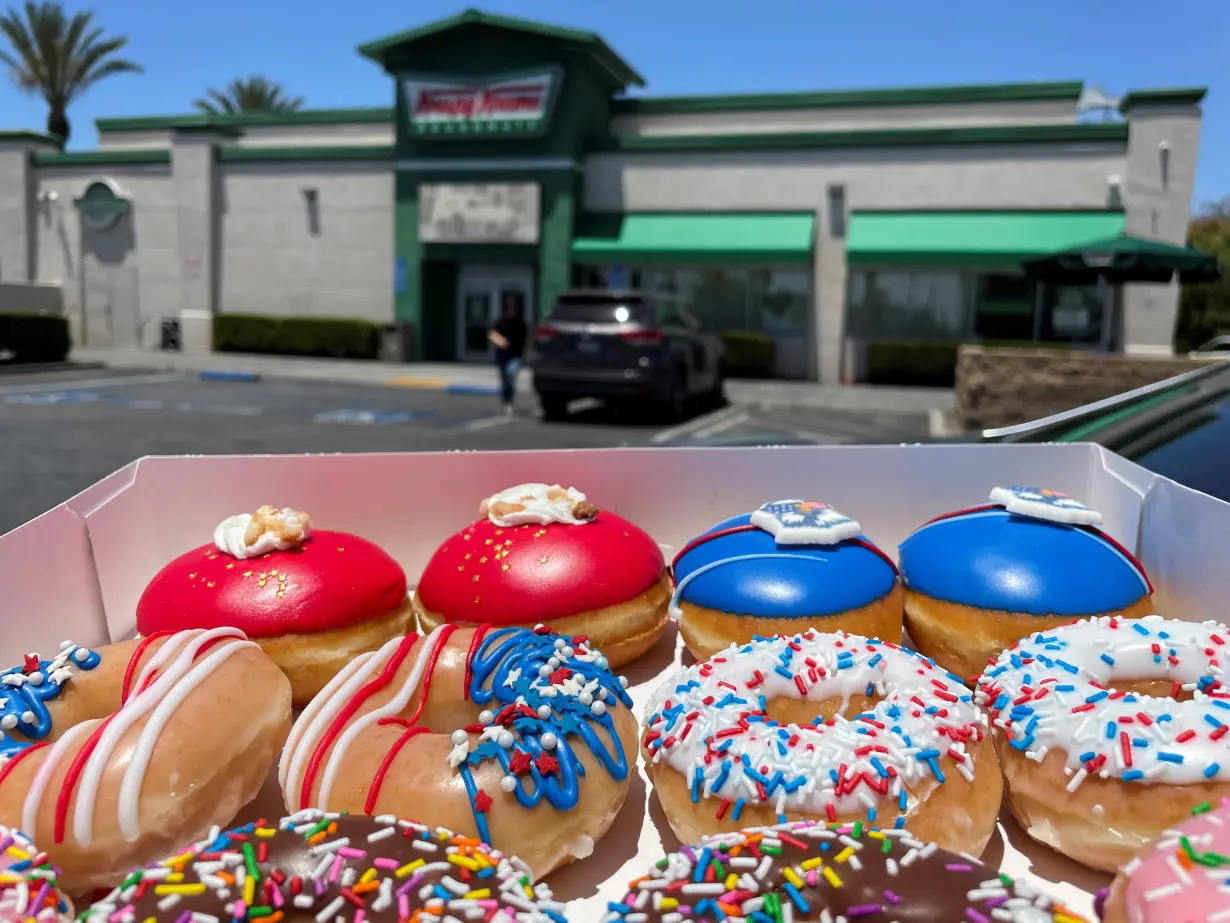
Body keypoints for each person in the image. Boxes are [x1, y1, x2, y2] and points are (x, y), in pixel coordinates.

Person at [488, 296, 528, 415]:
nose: (512, 312)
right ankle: (506, 402)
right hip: (502, 355)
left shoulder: (521, 324)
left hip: (516, 355)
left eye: (514, 309)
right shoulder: (501, 322)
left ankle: (509, 401)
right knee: (505, 380)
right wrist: (500, 341)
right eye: (509, 309)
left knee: (511, 376)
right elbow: (491, 334)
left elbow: (526, 339)